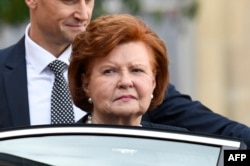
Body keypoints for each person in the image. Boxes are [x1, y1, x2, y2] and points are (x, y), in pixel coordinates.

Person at [0, 0, 249, 148]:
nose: (83, 13)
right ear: (85, 83)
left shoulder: (136, 85)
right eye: (69, 0)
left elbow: (223, 137)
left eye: (88, 1)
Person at [68, 13, 171, 127]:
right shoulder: (61, 143)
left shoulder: (176, 143)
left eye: (137, 70)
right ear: (86, 84)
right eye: (109, 71)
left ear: (153, 81)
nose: (125, 82)